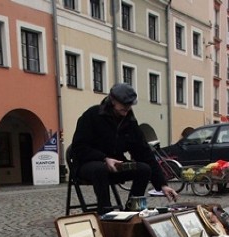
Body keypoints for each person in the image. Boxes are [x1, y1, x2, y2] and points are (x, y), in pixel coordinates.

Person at [70, 83, 178, 214]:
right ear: (112, 100)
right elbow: (78, 147)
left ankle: (130, 211)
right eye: (124, 104)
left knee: (144, 169)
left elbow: (144, 153)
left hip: (116, 166)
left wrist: (162, 185)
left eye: (130, 104)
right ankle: (106, 213)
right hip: (87, 165)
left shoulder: (130, 122)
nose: (127, 108)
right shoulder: (92, 115)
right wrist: (104, 159)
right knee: (100, 169)